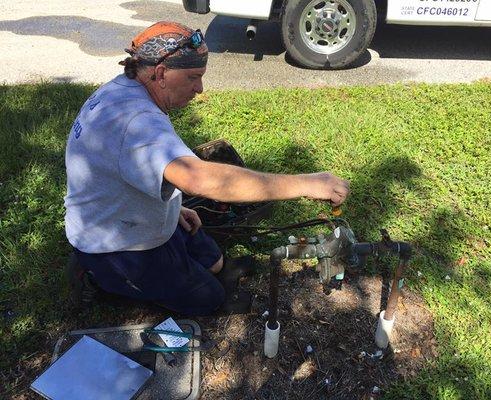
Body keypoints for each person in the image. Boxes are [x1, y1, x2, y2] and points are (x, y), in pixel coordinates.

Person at [64, 21, 349, 315]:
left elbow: (127, 167)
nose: (199, 89)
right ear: (160, 73)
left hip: (128, 215)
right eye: (193, 77)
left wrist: (172, 207)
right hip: (113, 245)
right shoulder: (137, 123)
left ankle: (197, 266)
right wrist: (308, 184)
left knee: (214, 261)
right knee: (208, 299)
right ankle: (97, 279)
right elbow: (196, 178)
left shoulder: (125, 87)